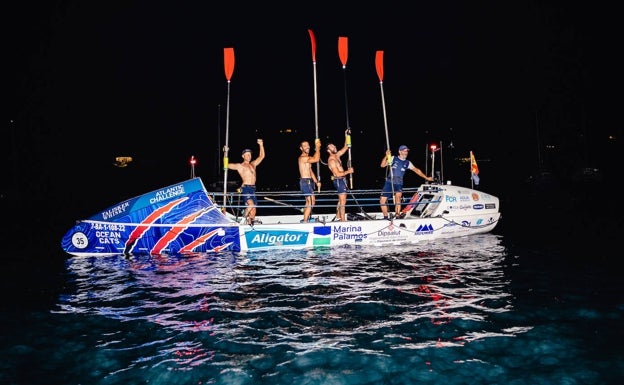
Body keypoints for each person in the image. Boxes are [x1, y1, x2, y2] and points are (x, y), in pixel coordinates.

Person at [380, 144, 433, 219]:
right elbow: (382, 165)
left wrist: (426, 177)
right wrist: (386, 155)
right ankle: (385, 217)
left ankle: (397, 215)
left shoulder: (408, 162)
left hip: (399, 182)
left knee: (398, 198)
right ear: (400, 151)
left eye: (407, 151)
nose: (406, 152)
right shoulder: (393, 158)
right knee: (382, 200)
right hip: (389, 181)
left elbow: (417, 170)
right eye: (404, 151)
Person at [227, 139, 265, 224]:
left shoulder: (253, 164)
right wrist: (225, 153)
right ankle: (242, 220)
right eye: (247, 155)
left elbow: (261, 156)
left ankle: (249, 225)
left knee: (253, 211)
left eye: (250, 155)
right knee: (250, 205)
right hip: (246, 188)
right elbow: (227, 165)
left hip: (253, 189)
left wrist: (261, 145)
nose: (249, 156)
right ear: (243, 156)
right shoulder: (240, 166)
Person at [326, 130, 354, 221]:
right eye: (332, 146)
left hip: (343, 179)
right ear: (328, 150)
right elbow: (337, 173)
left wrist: (346, 135)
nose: (334, 147)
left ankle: (338, 216)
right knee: (343, 201)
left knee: (340, 200)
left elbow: (346, 147)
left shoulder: (337, 155)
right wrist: (348, 171)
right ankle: (342, 221)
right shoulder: (331, 160)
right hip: (339, 180)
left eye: (334, 145)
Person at [298, 138, 322, 222]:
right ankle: (305, 221)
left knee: (311, 202)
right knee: (310, 202)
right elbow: (316, 159)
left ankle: (306, 219)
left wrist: (316, 181)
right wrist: (318, 148)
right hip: (305, 182)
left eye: (308, 145)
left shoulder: (307, 158)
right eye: (304, 146)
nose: (307, 147)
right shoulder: (302, 158)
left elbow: (310, 170)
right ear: (301, 148)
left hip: (309, 181)